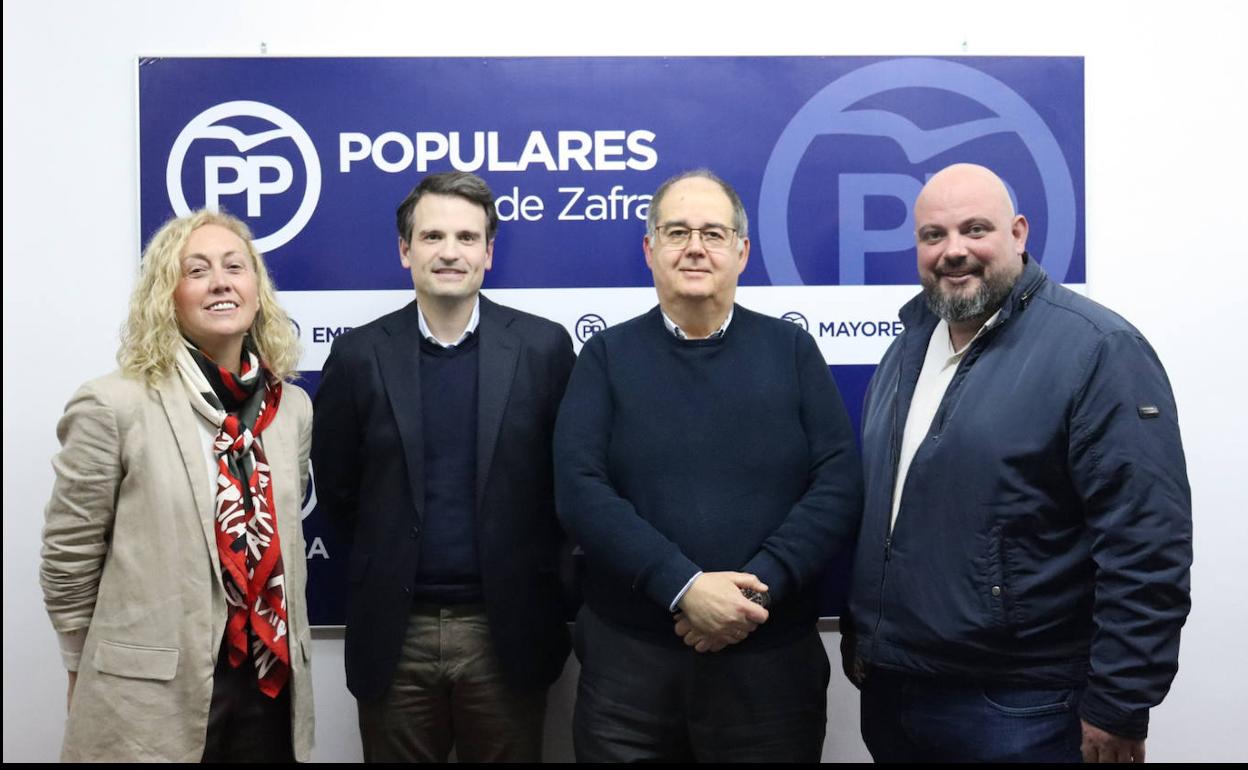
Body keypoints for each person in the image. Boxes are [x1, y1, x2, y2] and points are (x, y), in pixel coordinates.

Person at [842, 163, 1193, 763]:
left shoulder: (1096, 350)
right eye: (933, 235)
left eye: (975, 229)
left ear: (1019, 233)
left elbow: (1146, 541)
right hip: (895, 691)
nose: (954, 250)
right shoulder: (908, 346)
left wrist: (1120, 700)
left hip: (1023, 705)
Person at [554, 169, 863, 762]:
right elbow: (579, 490)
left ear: (741, 252)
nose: (695, 247)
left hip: (769, 670)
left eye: (713, 234)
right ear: (650, 250)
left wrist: (753, 595)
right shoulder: (606, 356)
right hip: (630, 673)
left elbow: (838, 483)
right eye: (677, 232)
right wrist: (683, 587)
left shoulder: (793, 351)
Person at [312, 171, 575, 762]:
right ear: (404, 251)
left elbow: (569, 490)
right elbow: (338, 491)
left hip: (507, 630)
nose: (450, 252)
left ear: (488, 252)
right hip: (395, 632)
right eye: (432, 236)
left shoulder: (544, 349)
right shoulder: (358, 355)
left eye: (466, 237)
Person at [40, 210, 314, 762]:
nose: (220, 282)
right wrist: (78, 667)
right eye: (197, 270)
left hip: (268, 686)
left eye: (234, 267)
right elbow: (69, 556)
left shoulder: (292, 409)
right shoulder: (113, 404)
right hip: (150, 700)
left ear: (257, 290)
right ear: (167, 296)